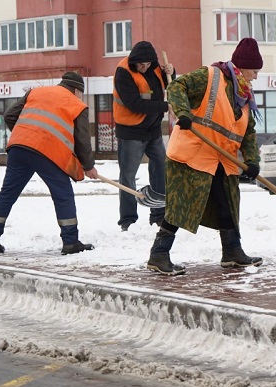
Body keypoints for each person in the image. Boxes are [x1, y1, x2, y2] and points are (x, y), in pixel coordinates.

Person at [147, 37, 264, 276]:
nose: (256, 77)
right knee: (181, 206)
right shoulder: (210, 76)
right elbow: (176, 87)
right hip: (192, 154)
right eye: (254, 71)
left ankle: (232, 251)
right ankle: (158, 255)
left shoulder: (244, 96)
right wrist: (183, 113)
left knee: (228, 205)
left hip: (222, 160)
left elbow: (248, 132)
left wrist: (252, 161)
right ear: (241, 68)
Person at [0, 72, 99, 255]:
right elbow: (83, 140)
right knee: (63, 194)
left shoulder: (36, 92)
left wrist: (27, 134)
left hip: (19, 148)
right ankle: (70, 242)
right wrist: (88, 165)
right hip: (47, 152)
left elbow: (9, 115)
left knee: (7, 194)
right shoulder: (77, 104)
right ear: (76, 90)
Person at [113, 41, 174, 231]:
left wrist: (172, 72)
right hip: (131, 132)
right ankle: (128, 220)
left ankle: (158, 214)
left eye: (148, 64)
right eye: (141, 64)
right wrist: (165, 107)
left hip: (153, 130)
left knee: (161, 170)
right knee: (128, 175)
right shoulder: (124, 72)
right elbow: (134, 104)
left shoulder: (155, 68)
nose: (144, 68)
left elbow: (170, 84)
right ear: (134, 61)